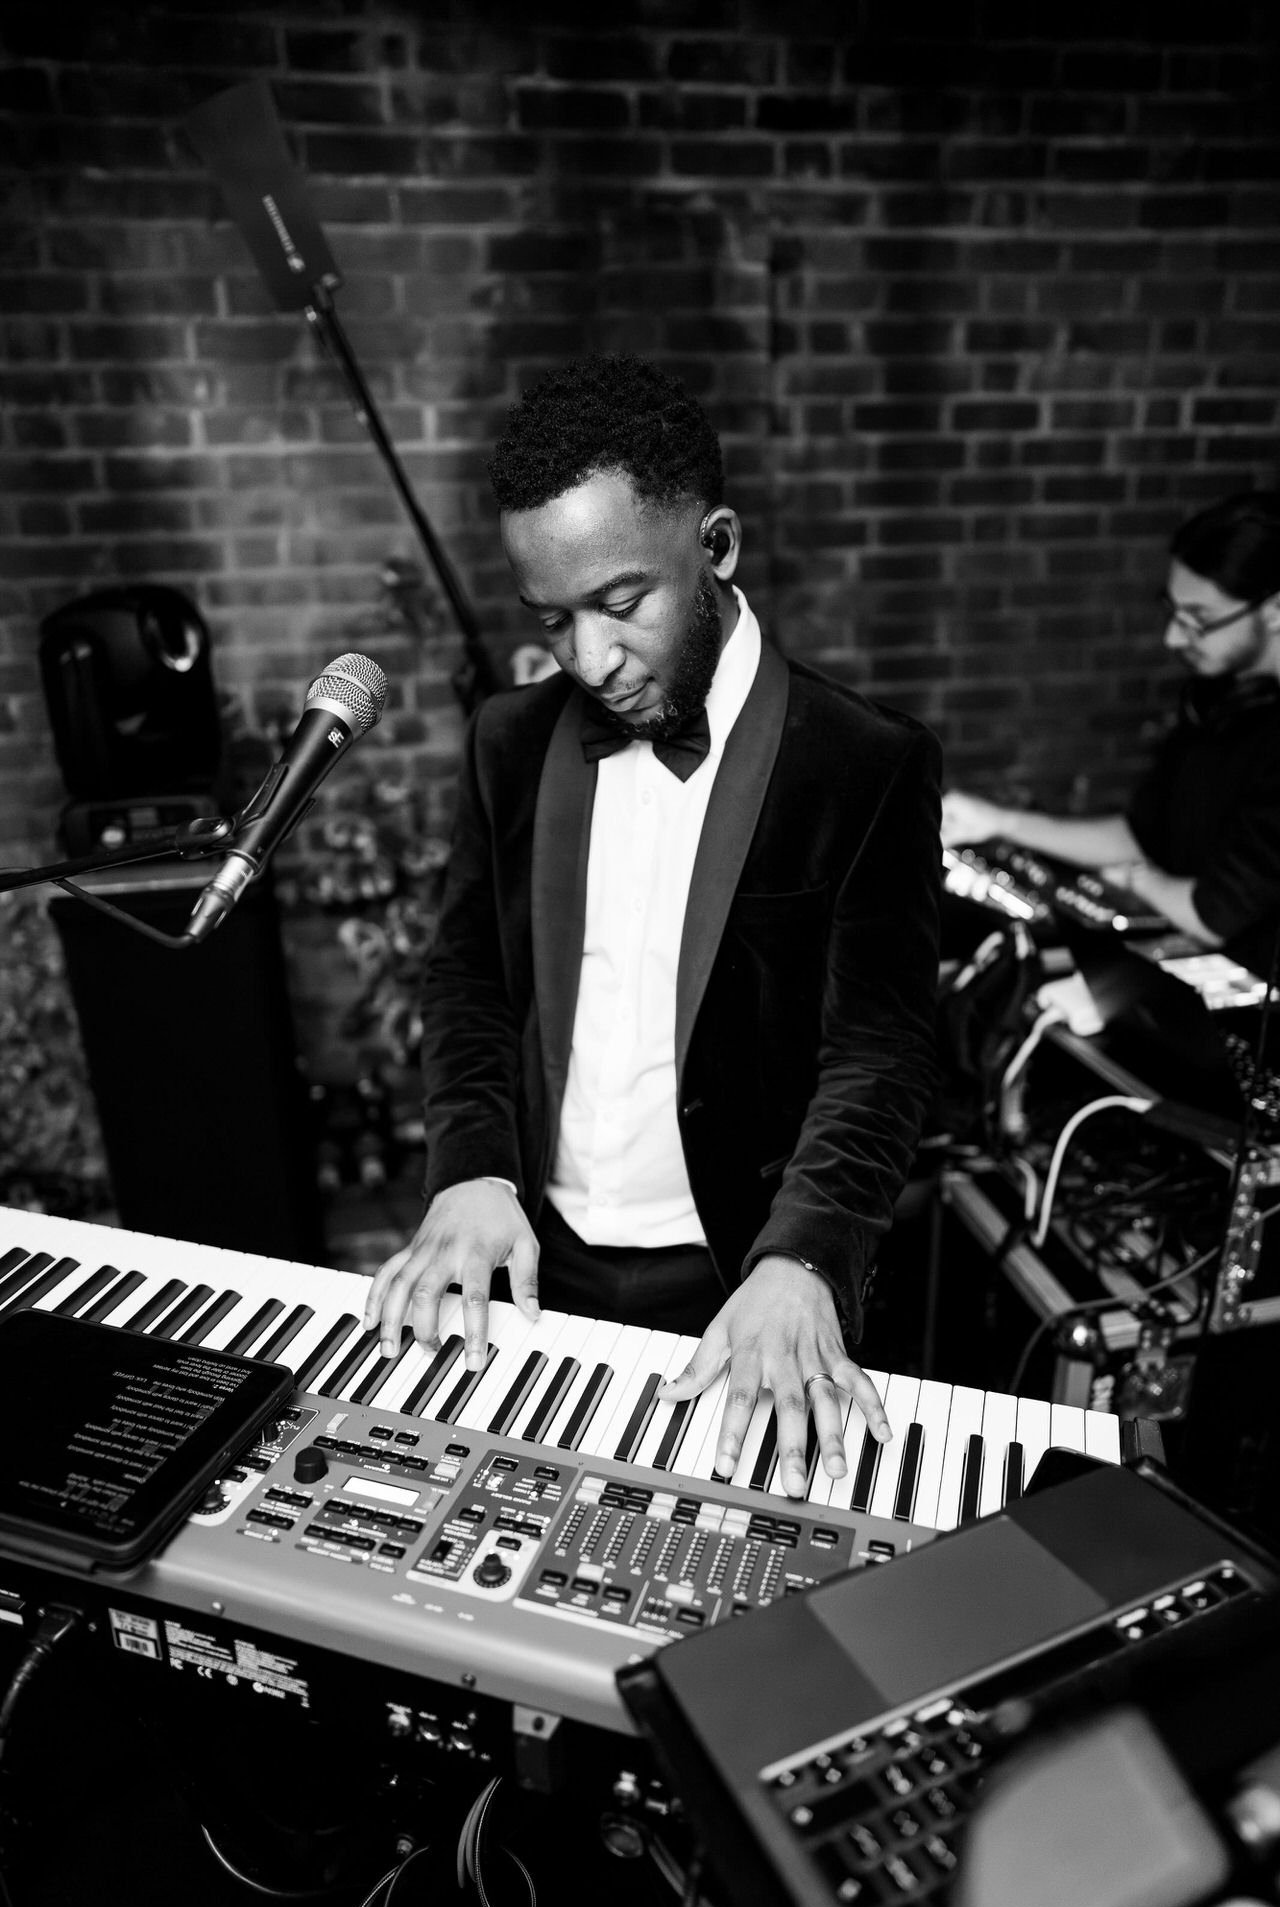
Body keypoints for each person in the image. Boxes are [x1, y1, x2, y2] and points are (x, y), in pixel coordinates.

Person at [363, 353, 942, 1499]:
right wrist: (470, 1174)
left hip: (740, 1276)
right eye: (552, 620)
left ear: (714, 548)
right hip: (535, 1266)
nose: (587, 660)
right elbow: (469, 980)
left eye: (621, 605)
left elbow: (878, 1051)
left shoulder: (862, 765)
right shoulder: (508, 742)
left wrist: (805, 1258)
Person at [942, 490, 1280, 980]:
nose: (1173, 638)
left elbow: (1209, 916)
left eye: (1199, 621)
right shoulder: (1220, 701)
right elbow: (1140, 835)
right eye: (1172, 610)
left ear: (1273, 610)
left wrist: (1133, 882)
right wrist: (996, 822)